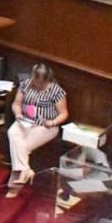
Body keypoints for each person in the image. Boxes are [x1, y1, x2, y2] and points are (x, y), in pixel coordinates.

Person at [5, 63, 68, 197]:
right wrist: (18, 113)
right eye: (36, 81)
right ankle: (25, 171)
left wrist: (53, 122)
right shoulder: (25, 84)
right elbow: (16, 104)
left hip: (45, 126)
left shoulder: (56, 91)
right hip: (24, 121)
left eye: (41, 83)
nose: (38, 85)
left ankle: (15, 186)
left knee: (22, 146)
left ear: (47, 79)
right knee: (12, 132)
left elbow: (64, 114)